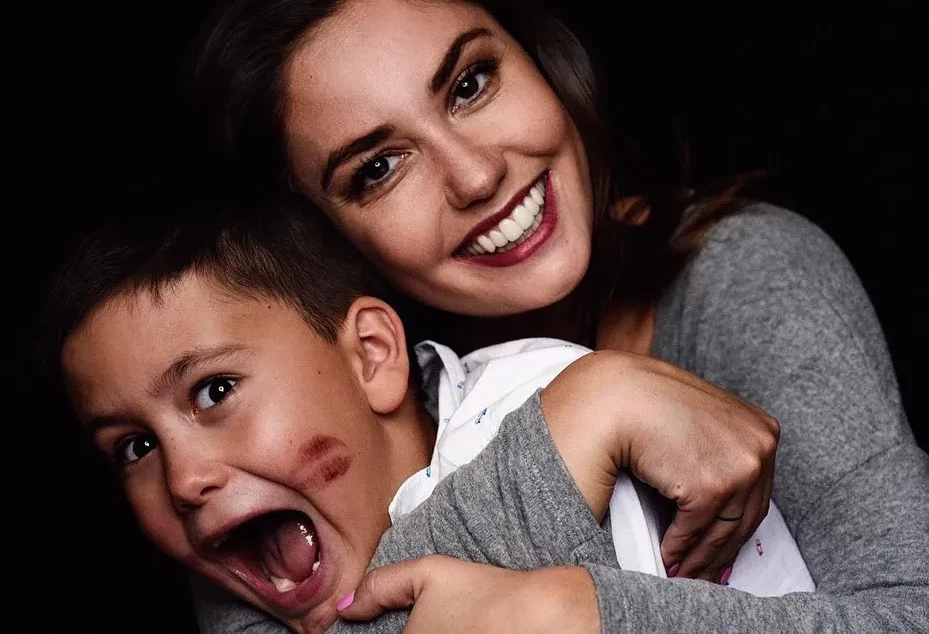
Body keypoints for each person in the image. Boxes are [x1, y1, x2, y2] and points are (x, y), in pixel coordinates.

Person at [188, 0, 929, 630]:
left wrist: (577, 613)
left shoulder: (742, 274)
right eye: (379, 167)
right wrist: (587, 413)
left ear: (538, 58)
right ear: (319, 240)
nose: (476, 176)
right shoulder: (276, 435)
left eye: (470, 85)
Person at [43, 195, 806, 634]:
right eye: (134, 445)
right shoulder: (235, 572)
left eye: (214, 391)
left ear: (372, 355)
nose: (184, 479)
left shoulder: (546, 401)